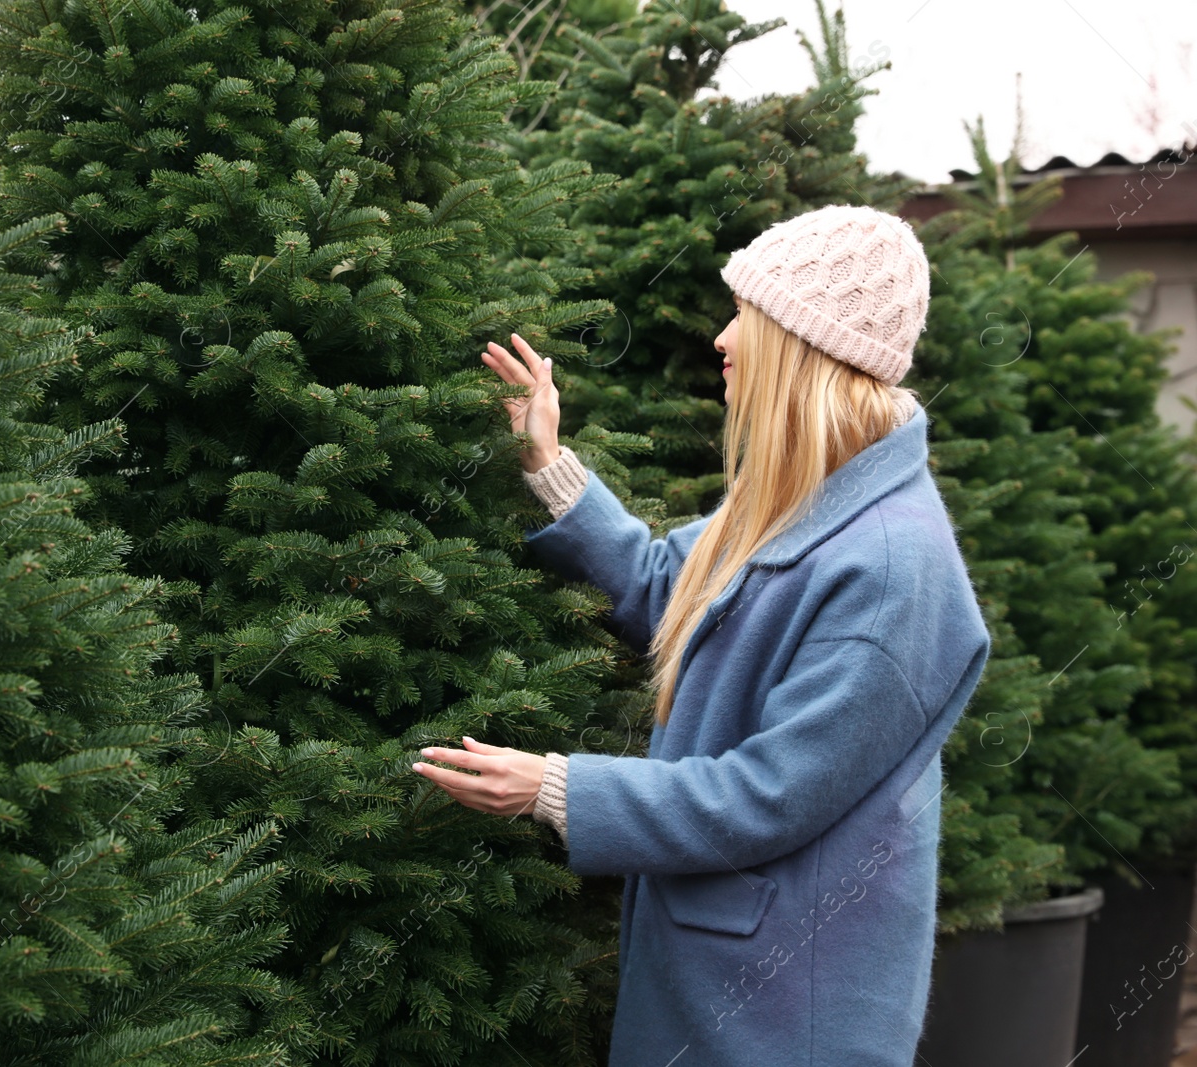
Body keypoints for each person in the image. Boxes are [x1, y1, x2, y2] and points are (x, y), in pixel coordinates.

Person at [411, 205, 993, 1066]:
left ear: (802, 347)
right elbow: (669, 588)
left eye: (746, 319)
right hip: (718, 981)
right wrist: (549, 465)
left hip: (783, 1018)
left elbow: (769, 795)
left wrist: (553, 786)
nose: (723, 338)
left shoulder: (889, 567)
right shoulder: (803, 497)